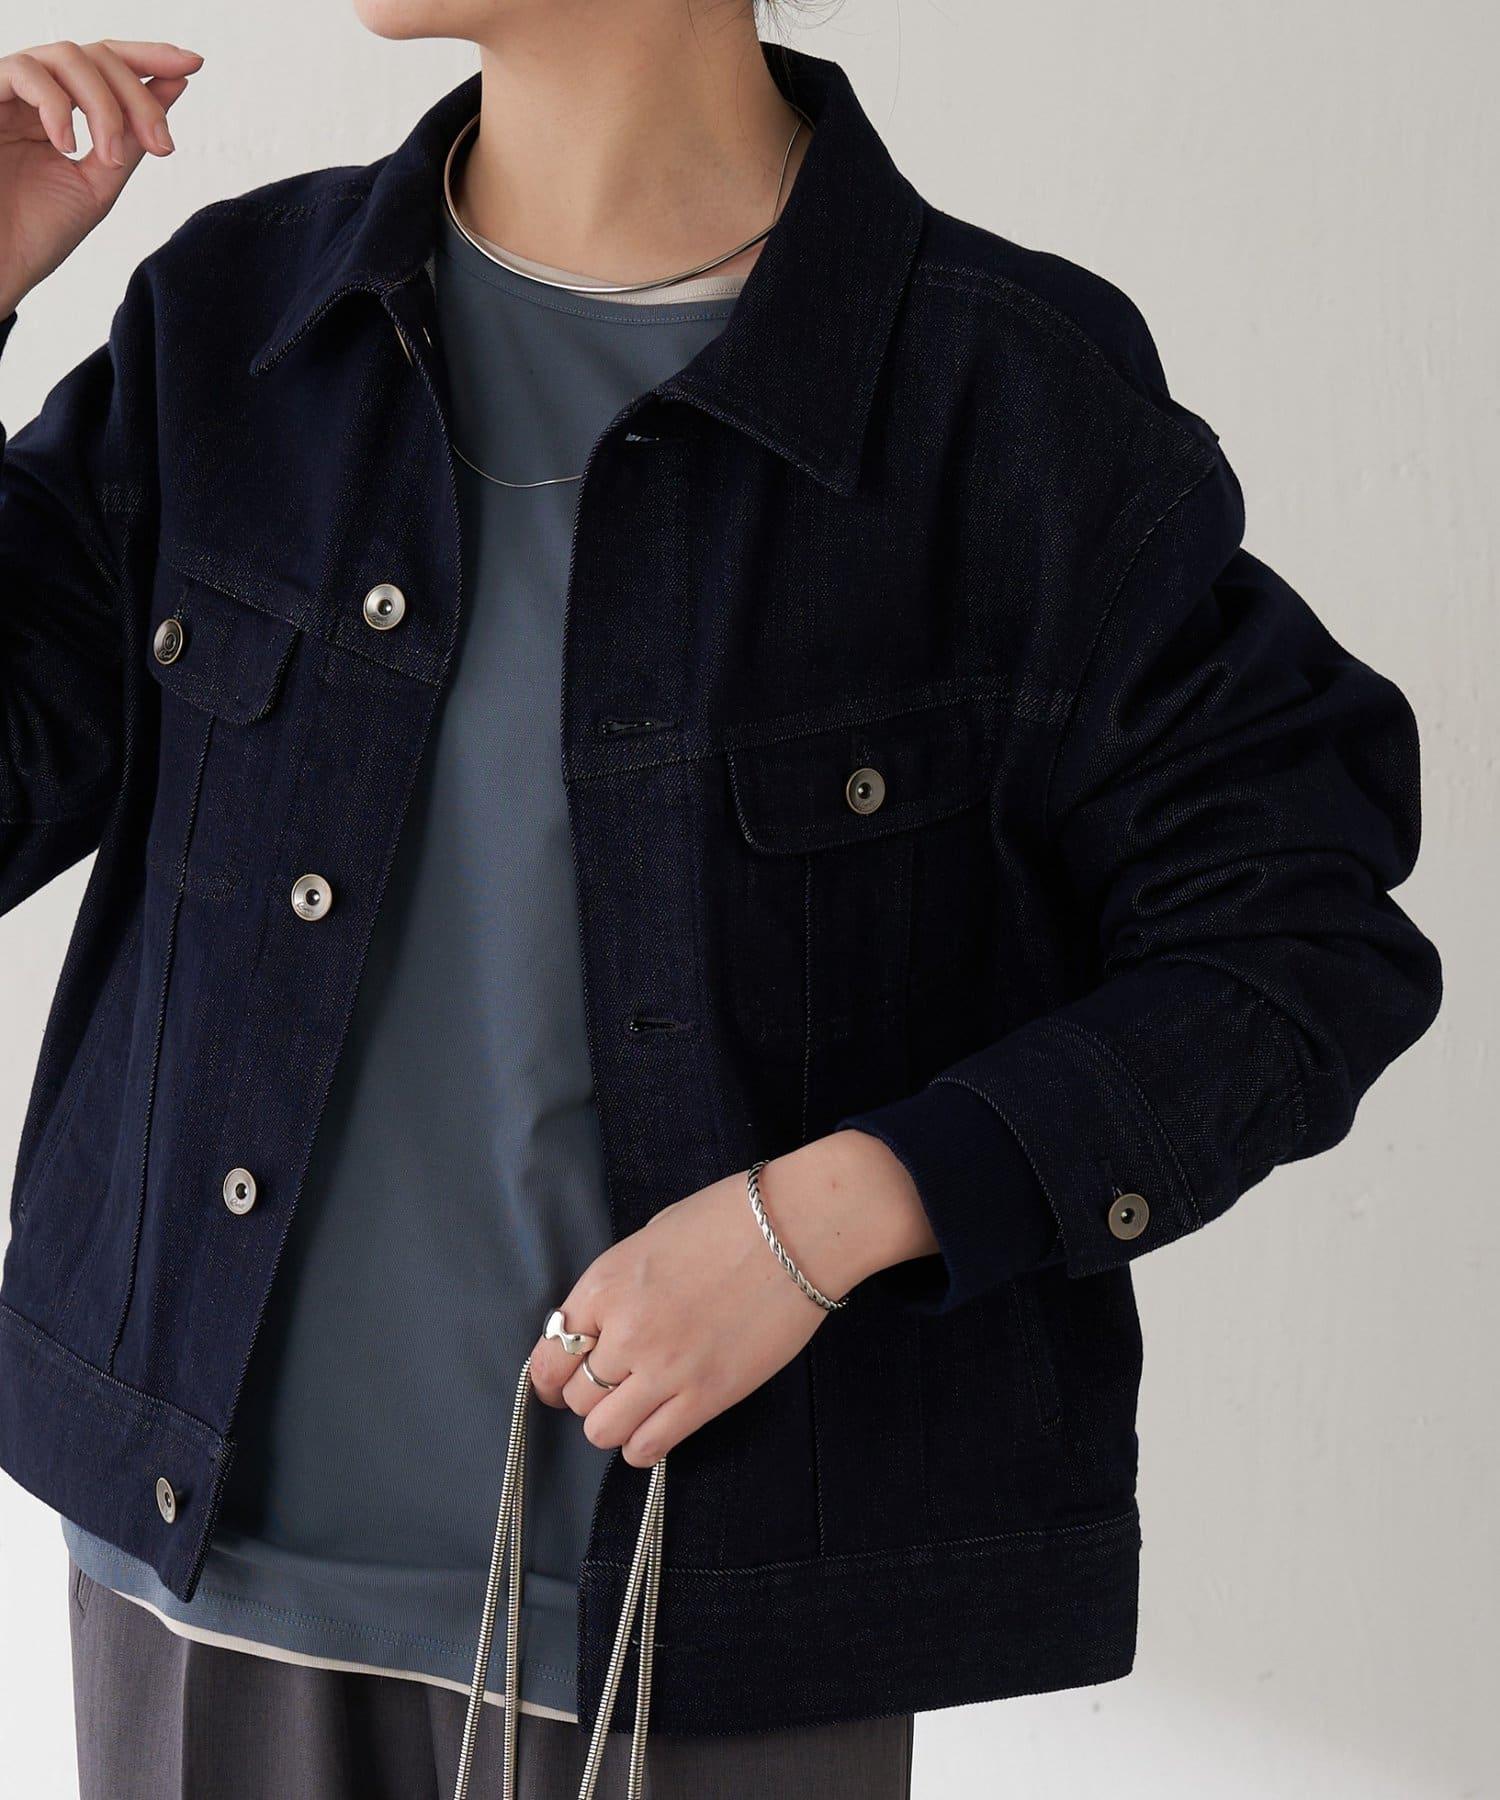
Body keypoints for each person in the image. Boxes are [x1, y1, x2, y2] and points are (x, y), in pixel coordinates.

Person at [0, 5, 1442, 1797]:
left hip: (705, 1633)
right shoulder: (236, 322)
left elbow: (1296, 941)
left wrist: (832, 1217)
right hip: (198, 1584)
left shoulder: (1002, 400)